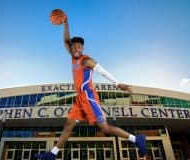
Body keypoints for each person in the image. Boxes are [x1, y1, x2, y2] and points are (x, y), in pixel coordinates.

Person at [34, 18, 146, 160]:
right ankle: (51, 155)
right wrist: (66, 22)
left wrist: (118, 84)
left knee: (104, 128)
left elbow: (103, 71)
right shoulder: (73, 58)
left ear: (82, 48)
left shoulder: (86, 60)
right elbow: (65, 41)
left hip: (88, 97)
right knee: (68, 124)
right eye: (74, 46)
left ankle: (137, 139)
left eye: (79, 46)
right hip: (79, 98)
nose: (75, 48)